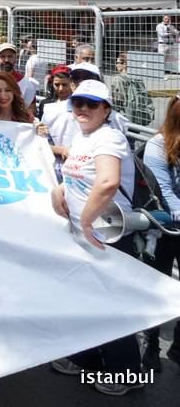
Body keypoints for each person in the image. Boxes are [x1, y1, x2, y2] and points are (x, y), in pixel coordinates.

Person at [50, 80, 143, 395]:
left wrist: (87, 220)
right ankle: (87, 359)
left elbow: (107, 182)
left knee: (111, 306)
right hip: (88, 235)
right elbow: (80, 177)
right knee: (86, 300)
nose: (83, 109)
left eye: (92, 104)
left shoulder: (108, 137)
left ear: (106, 109)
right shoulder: (83, 136)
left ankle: (127, 374)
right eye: (78, 103)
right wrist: (59, 190)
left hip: (108, 236)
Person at [138, 94, 180, 370]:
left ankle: (178, 347)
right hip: (163, 227)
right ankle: (151, 344)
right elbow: (165, 195)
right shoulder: (158, 145)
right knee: (156, 289)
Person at [0, 72, 48, 136]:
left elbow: (36, 137)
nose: (3, 96)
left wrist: (41, 131)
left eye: (8, 90)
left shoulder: (25, 115)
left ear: (14, 92)